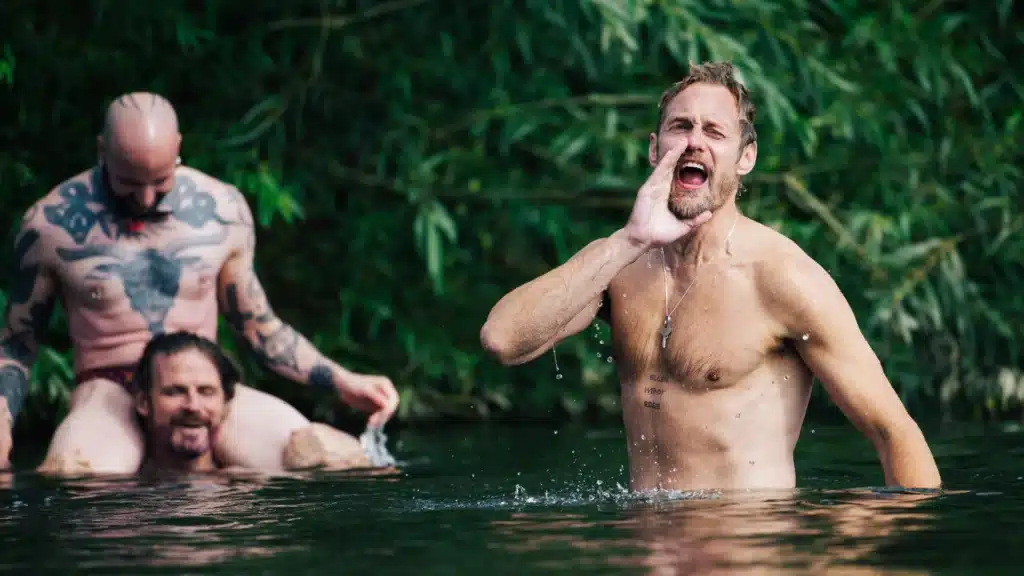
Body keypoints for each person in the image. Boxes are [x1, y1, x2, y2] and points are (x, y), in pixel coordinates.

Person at [479, 61, 942, 492]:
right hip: (646, 541)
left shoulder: (782, 278)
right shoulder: (620, 264)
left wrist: (889, 541)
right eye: (680, 127)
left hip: (746, 540)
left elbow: (893, 431)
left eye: (714, 131)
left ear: (745, 157)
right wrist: (628, 241)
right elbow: (502, 340)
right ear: (654, 148)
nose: (693, 142)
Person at [0, 92, 399, 473]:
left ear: (178, 147)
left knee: (323, 455)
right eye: (129, 183)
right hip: (110, 389)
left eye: (160, 181)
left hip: (203, 387)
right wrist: (1, 421)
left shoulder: (222, 211)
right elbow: (17, 342)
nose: (145, 198)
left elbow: (259, 327)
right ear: (102, 151)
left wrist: (343, 381)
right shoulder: (49, 226)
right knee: (76, 475)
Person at [129, 330, 369, 475]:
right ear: (142, 402)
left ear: (226, 405)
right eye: (175, 392)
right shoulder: (123, 488)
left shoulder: (247, 485)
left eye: (206, 392)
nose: (193, 405)